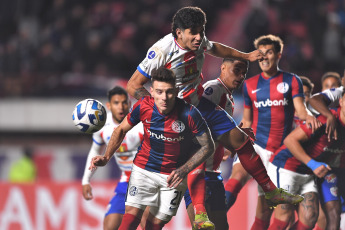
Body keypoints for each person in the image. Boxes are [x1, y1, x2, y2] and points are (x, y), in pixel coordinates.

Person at [126, 7, 304, 229]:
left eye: (201, 31)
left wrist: (245, 55)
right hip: (178, 113)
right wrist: (157, 110)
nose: (199, 37)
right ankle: (199, 213)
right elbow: (133, 85)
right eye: (194, 32)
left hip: (198, 103)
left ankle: (271, 192)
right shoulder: (161, 51)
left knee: (240, 140)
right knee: (197, 154)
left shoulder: (197, 40)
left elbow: (215, 48)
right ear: (179, 33)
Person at [90, 67, 215, 230]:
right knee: (131, 217)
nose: (164, 98)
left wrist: (184, 170)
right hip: (144, 169)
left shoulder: (189, 114)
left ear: (176, 91)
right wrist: (106, 157)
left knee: (154, 225)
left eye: (169, 92)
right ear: (152, 91)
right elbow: (120, 129)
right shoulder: (144, 106)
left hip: (173, 175)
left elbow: (208, 146)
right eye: (159, 92)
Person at [223, 34, 320, 230]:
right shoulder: (250, 85)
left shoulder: (291, 81)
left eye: (269, 53)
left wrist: (309, 116)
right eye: (261, 54)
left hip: (279, 155)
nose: (264, 58)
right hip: (256, 145)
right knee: (238, 175)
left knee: (264, 214)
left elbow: (300, 110)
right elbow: (247, 121)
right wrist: (233, 145)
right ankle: (213, 216)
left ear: (278, 55)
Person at [184, 57, 250, 229]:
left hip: (213, 173)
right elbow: (197, 124)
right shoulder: (213, 89)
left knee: (220, 227)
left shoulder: (228, 96)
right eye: (236, 70)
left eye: (244, 73)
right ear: (222, 68)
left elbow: (215, 129)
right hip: (199, 172)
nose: (241, 76)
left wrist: (227, 145)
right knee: (202, 226)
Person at [267, 88, 345, 230]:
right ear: (340, 101)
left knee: (310, 217)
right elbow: (290, 140)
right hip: (286, 165)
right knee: (284, 215)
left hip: (308, 171)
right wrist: (313, 163)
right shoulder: (325, 120)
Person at [81, 86, 145, 230]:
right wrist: (86, 180)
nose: (121, 107)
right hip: (126, 181)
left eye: (124, 103)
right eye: (116, 103)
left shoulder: (141, 125)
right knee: (109, 225)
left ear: (129, 105)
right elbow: (95, 151)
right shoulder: (103, 127)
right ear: (109, 106)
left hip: (146, 182)